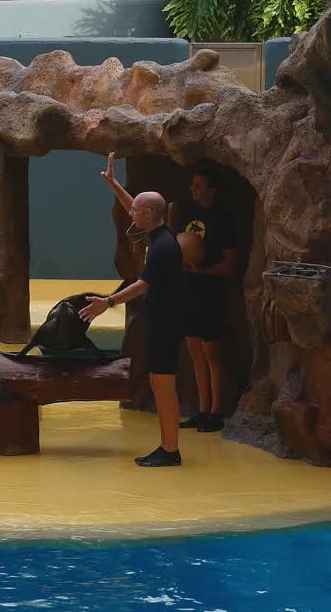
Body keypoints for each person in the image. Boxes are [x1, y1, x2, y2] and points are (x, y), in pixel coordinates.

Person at [81, 153, 185, 468]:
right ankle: (168, 447)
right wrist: (113, 183)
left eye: (137, 211)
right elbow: (133, 205)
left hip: (166, 325)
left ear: (150, 213)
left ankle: (170, 450)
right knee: (159, 383)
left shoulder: (164, 247)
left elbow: (142, 285)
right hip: (161, 322)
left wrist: (107, 303)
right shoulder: (158, 233)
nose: (131, 214)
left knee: (164, 387)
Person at [176, 164, 237, 433]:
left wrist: (203, 270)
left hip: (210, 291)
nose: (193, 191)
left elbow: (230, 266)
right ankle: (202, 410)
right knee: (194, 351)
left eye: (199, 186)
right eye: (192, 186)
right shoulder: (187, 215)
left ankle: (216, 412)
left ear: (212, 190)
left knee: (211, 352)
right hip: (188, 290)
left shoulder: (222, 220)